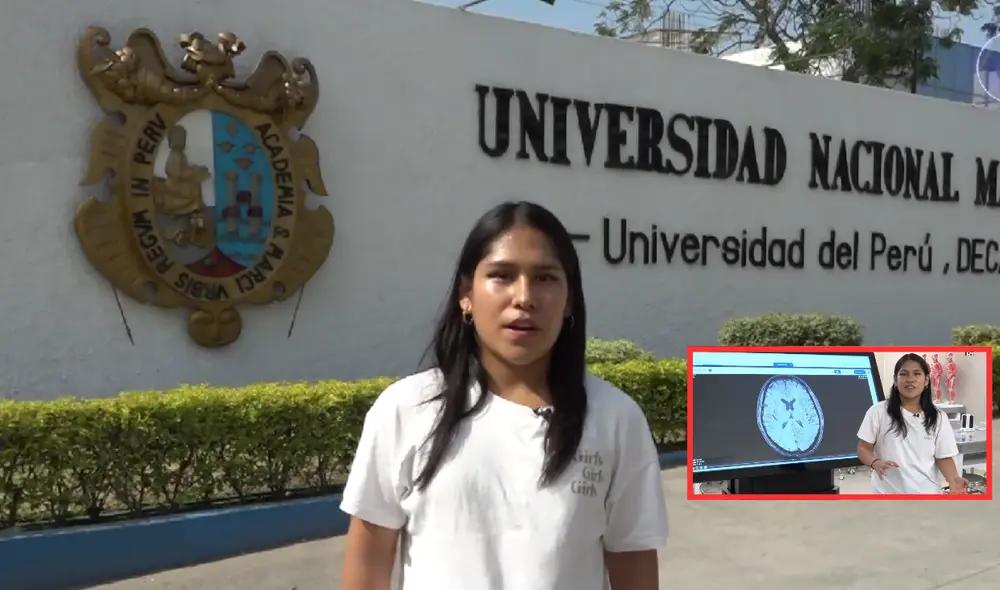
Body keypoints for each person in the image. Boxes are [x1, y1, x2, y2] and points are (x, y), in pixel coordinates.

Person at [339, 201, 668, 590]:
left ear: (569, 301)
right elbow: (367, 569)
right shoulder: (406, 410)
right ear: (466, 294)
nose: (524, 297)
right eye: (502, 275)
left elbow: (634, 569)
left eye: (545, 278)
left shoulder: (615, 419)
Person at [856, 353, 968, 495]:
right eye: (904, 374)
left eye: (917, 374)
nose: (910, 379)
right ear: (895, 380)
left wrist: (953, 479)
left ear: (926, 380)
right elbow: (863, 448)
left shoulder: (939, 417)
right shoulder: (877, 412)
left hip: (927, 494)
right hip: (885, 494)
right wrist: (875, 462)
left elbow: (943, 457)